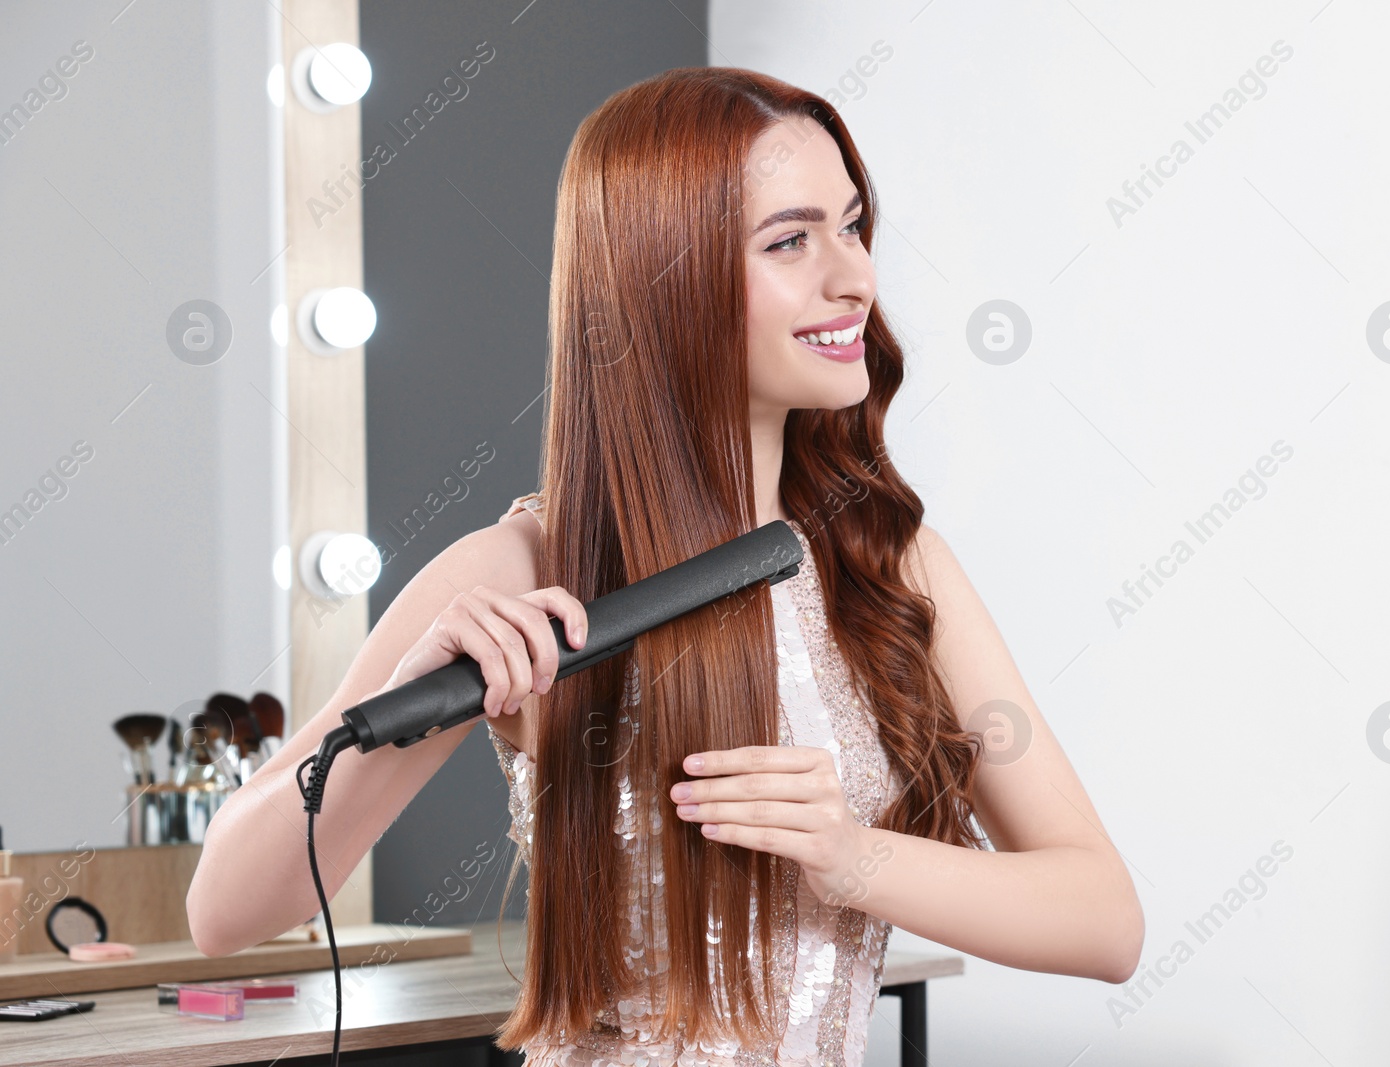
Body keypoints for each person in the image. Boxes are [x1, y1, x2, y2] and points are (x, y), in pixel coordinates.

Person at [188, 66, 1143, 1066]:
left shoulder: (889, 567)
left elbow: (1103, 919)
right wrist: (401, 697)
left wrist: (853, 857)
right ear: (660, 275)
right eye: (790, 240)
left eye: (852, 226)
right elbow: (225, 910)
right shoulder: (526, 567)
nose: (853, 274)